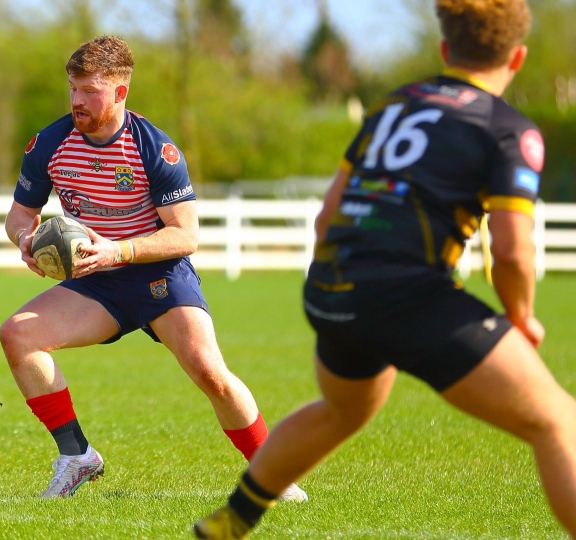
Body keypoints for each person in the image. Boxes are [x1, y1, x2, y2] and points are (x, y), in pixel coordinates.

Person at [194, 1, 576, 538]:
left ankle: (230, 522)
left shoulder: (395, 105)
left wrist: (341, 287)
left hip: (330, 286)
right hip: (408, 294)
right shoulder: (508, 129)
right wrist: (524, 316)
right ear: (519, 59)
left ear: (446, 50)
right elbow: (512, 252)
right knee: (558, 420)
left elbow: (328, 216)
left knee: (341, 411)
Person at [0, 35, 306, 502]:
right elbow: (19, 216)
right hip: (95, 281)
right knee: (17, 335)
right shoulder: (49, 144)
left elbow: (185, 236)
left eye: (90, 91)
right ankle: (77, 456)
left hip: (158, 273)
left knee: (210, 372)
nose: (77, 101)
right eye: (73, 89)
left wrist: (119, 251)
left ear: (120, 93)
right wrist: (25, 239)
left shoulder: (156, 150)